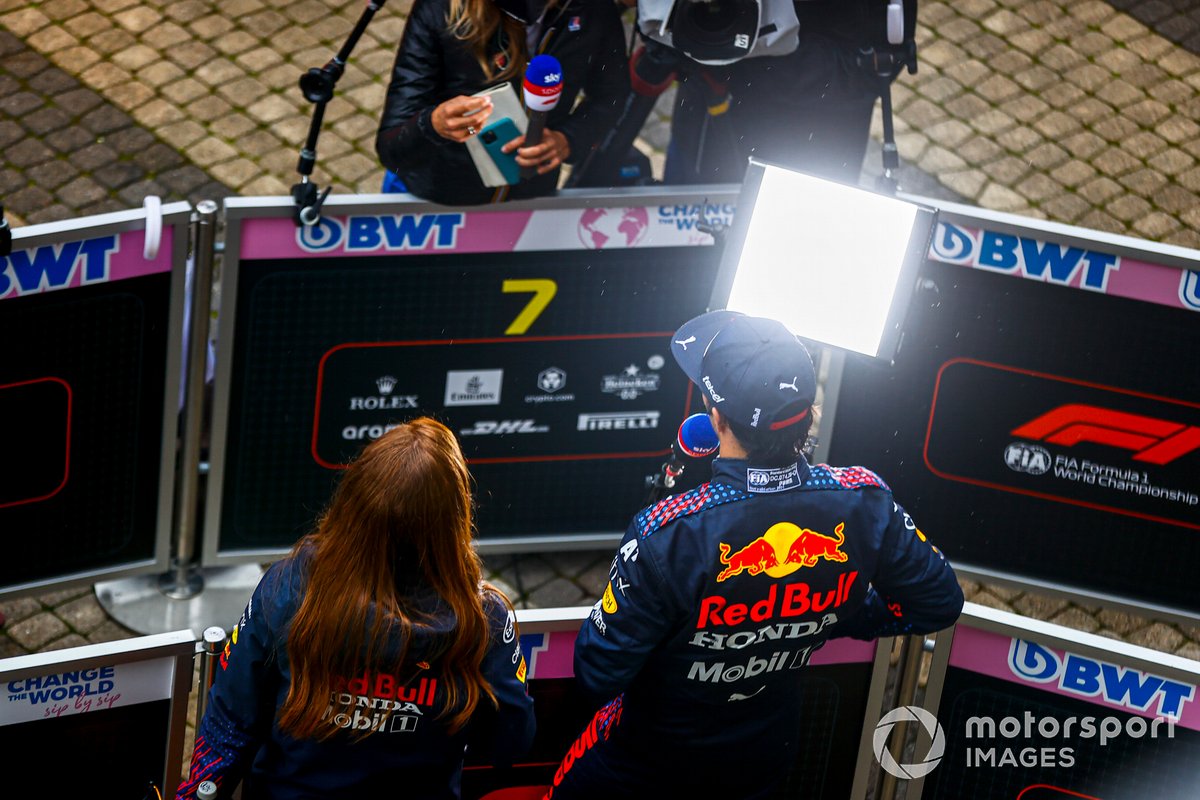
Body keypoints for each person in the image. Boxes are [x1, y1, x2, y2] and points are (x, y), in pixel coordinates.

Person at [541, 310, 964, 800]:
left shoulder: (666, 534)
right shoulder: (863, 500)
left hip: (649, 764)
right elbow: (937, 602)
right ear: (807, 416)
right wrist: (832, 611)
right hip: (762, 756)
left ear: (716, 418)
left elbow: (597, 672)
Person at [175, 418, 535, 800]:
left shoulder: (291, 588)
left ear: (353, 505)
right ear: (453, 522)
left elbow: (230, 722)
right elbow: (511, 745)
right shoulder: (485, 620)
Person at [375, 0, 631, 205]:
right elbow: (391, 147)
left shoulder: (593, 9)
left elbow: (612, 94)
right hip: (435, 198)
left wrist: (567, 139)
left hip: (528, 199)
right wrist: (433, 125)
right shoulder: (439, 8)